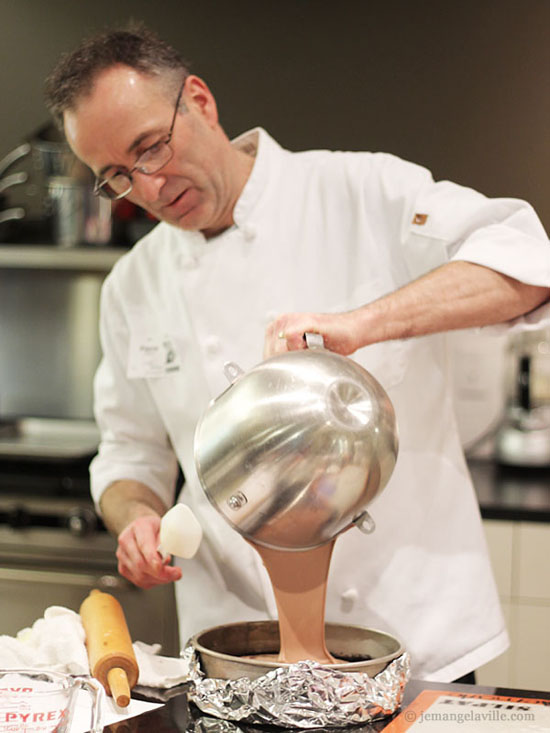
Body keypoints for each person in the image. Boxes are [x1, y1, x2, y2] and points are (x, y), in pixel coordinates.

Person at [45, 24, 549, 682]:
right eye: (115, 176)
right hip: (239, 654)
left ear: (199, 100)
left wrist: (364, 323)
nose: (149, 185)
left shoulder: (362, 191)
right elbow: (129, 453)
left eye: (151, 147)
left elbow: (528, 263)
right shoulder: (133, 285)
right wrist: (137, 518)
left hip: (416, 641)